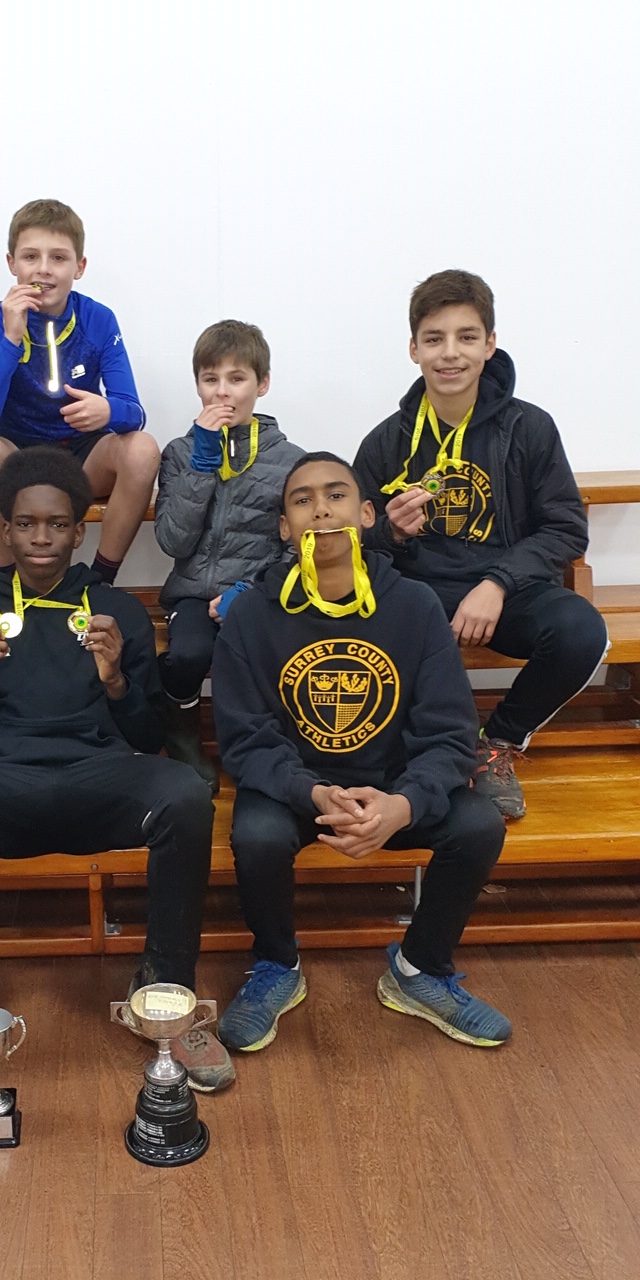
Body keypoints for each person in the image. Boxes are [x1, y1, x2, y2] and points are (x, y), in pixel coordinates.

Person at [0, 448, 232, 1125]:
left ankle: (167, 995)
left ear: (79, 532)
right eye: (25, 524)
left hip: (99, 779)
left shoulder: (116, 611)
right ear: (5, 529)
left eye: (57, 524)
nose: (40, 538)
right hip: (0, 783)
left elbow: (149, 733)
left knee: (185, 796)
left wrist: (116, 681)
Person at [211, 453, 512, 1054]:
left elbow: (450, 732)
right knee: (257, 835)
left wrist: (404, 804)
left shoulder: (415, 605)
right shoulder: (252, 614)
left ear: (367, 514)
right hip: (299, 790)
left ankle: (420, 970)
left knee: (479, 823)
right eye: (302, 500)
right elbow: (245, 739)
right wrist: (311, 792)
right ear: (285, 527)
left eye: (336, 495)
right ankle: (276, 965)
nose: (321, 510)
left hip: (391, 787)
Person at [354, 270, 608, 818]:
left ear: (489, 345)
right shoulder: (385, 441)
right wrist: (389, 531)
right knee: (358, 625)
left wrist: (498, 583)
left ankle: (496, 745)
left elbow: (565, 528)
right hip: (418, 594)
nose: (450, 353)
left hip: (507, 592)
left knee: (582, 630)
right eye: (434, 338)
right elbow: (354, 543)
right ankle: (421, 750)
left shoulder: (530, 428)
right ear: (414, 349)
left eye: (466, 337)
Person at [0, 199, 158, 583]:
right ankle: (7, 582)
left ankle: (101, 580)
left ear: (79, 267)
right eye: (30, 256)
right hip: (18, 459)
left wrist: (107, 411)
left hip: (82, 461)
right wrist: (11, 339)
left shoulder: (98, 319)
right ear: (12, 263)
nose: (44, 269)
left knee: (142, 449)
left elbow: (134, 412)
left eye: (59, 258)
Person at [154, 320, 302, 791]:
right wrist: (201, 461)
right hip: (193, 593)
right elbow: (173, 541)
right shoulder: (179, 454)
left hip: (260, 593)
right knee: (188, 654)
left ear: (263, 384)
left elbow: (298, 549)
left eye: (237, 378)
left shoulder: (291, 461)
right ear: (197, 384)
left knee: (263, 653)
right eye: (210, 379)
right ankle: (182, 737)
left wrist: (251, 590)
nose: (222, 392)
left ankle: (257, 749)